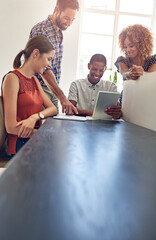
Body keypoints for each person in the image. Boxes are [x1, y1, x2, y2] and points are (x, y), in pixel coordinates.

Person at [1, 35, 57, 155]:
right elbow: (11, 127)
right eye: (49, 59)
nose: (49, 65)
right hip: (19, 144)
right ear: (35, 53)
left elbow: (53, 108)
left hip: (33, 140)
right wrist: (43, 134)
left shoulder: (34, 80)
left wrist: (35, 117)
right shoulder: (12, 78)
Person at [29, 0, 79, 115]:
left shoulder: (58, 32)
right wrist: (63, 98)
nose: (69, 23)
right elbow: (44, 69)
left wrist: (59, 96)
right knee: (42, 131)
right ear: (57, 10)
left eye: (73, 19)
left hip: (52, 90)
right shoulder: (42, 31)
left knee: (54, 129)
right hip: (40, 90)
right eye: (67, 18)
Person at [68, 54, 121, 119]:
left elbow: (117, 113)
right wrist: (96, 113)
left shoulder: (111, 86)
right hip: (80, 124)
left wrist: (117, 113)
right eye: (94, 69)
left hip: (103, 125)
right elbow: (71, 109)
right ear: (88, 66)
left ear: (105, 69)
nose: (97, 73)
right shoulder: (76, 85)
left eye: (101, 70)